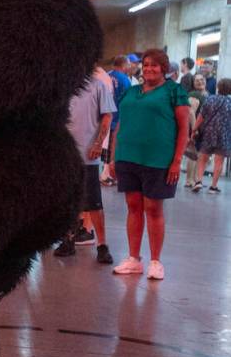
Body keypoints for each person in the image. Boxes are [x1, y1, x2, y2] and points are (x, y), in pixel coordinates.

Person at [109, 48, 189, 281]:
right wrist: (113, 158)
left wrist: (176, 161)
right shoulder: (131, 92)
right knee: (133, 206)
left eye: (154, 65)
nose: (149, 69)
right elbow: (120, 126)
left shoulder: (174, 91)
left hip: (158, 159)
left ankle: (156, 261)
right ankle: (134, 259)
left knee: (153, 208)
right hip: (127, 157)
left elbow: (184, 128)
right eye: (146, 65)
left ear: (164, 68)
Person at [53, 70, 116, 263]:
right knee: (67, 201)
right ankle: (68, 239)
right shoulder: (62, 84)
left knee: (94, 203)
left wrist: (98, 143)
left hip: (88, 155)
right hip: (64, 154)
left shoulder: (98, 86)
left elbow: (107, 117)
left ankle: (102, 246)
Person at [191, 78, 231, 194]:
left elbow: (201, 116)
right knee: (219, 161)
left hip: (208, 134)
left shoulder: (210, 99)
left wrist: (194, 129)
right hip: (224, 135)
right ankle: (213, 187)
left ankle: (199, 181)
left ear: (218, 87)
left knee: (202, 158)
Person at [101, 55, 132, 186]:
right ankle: (107, 173)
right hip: (118, 117)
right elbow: (128, 101)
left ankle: (106, 171)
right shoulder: (125, 80)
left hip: (104, 116)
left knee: (105, 145)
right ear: (124, 65)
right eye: (129, 64)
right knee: (114, 146)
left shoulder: (105, 76)